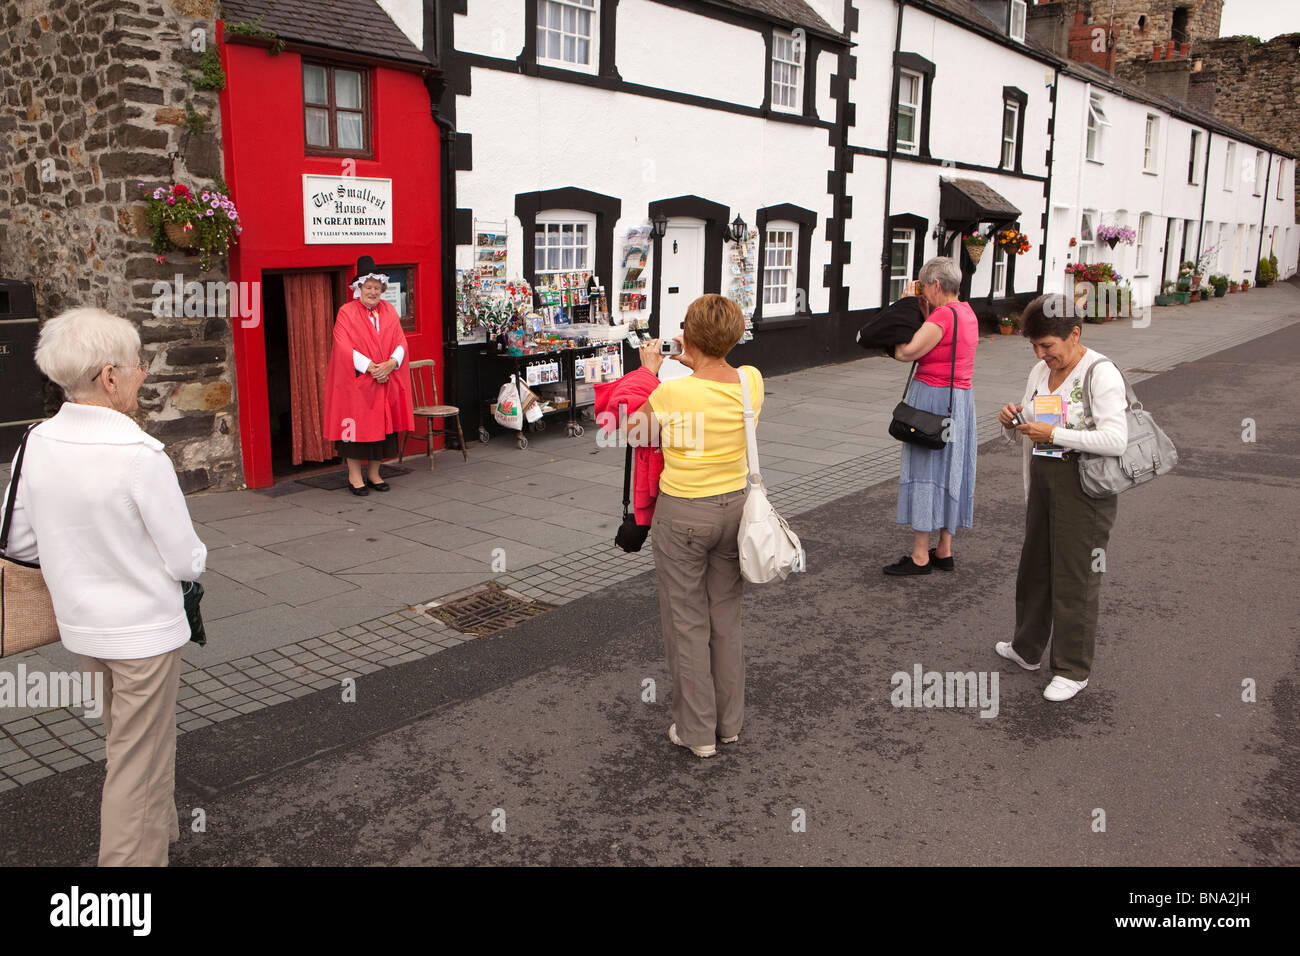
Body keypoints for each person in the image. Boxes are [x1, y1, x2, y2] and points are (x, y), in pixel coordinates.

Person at [2, 307, 207, 865]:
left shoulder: (34, 445)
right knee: (133, 762)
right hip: (142, 631)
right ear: (111, 376)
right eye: (138, 364)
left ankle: (161, 830)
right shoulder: (139, 456)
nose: (143, 374)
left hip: (83, 626)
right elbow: (186, 559)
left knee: (133, 741)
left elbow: (18, 543)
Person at [624, 294, 761, 758]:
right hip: (735, 510)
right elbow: (721, 374)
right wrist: (699, 356)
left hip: (684, 512)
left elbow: (632, 432)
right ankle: (730, 724)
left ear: (690, 337)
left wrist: (650, 372)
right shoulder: (751, 383)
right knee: (725, 617)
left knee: (686, 622)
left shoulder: (672, 392)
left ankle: (697, 732)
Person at [996, 293, 1128, 701]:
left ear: (1075, 333)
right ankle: (1027, 647)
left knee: (1075, 577)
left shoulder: (1100, 373)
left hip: (1084, 487)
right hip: (1043, 479)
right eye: (1034, 346)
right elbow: (1033, 423)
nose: (1040, 354)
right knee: (1034, 566)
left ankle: (1072, 668)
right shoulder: (1040, 370)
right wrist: (1012, 422)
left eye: (1047, 346)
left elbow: (1116, 439)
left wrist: (1054, 435)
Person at [884, 256, 979, 575]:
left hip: (933, 398)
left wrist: (904, 312)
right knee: (952, 467)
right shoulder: (967, 312)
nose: (922, 292)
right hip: (960, 400)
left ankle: (920, 555)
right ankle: (945, 549)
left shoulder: (944, 317)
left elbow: (905, 352)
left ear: (936, 285)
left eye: (924, 286)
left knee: (926, 468)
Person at [322, 255, 415, 495]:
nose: (373, 292)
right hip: (358, 383)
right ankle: (354, 477)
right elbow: (343, 346)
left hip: (385, 382)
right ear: (359, 288)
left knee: (383, 431)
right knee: (353, 433)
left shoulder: (389, 311)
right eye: (368, 287)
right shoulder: (346, 312)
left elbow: (400, 341)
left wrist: (391, 364)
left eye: (377, 288)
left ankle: (374, 474)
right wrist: (373, 368)